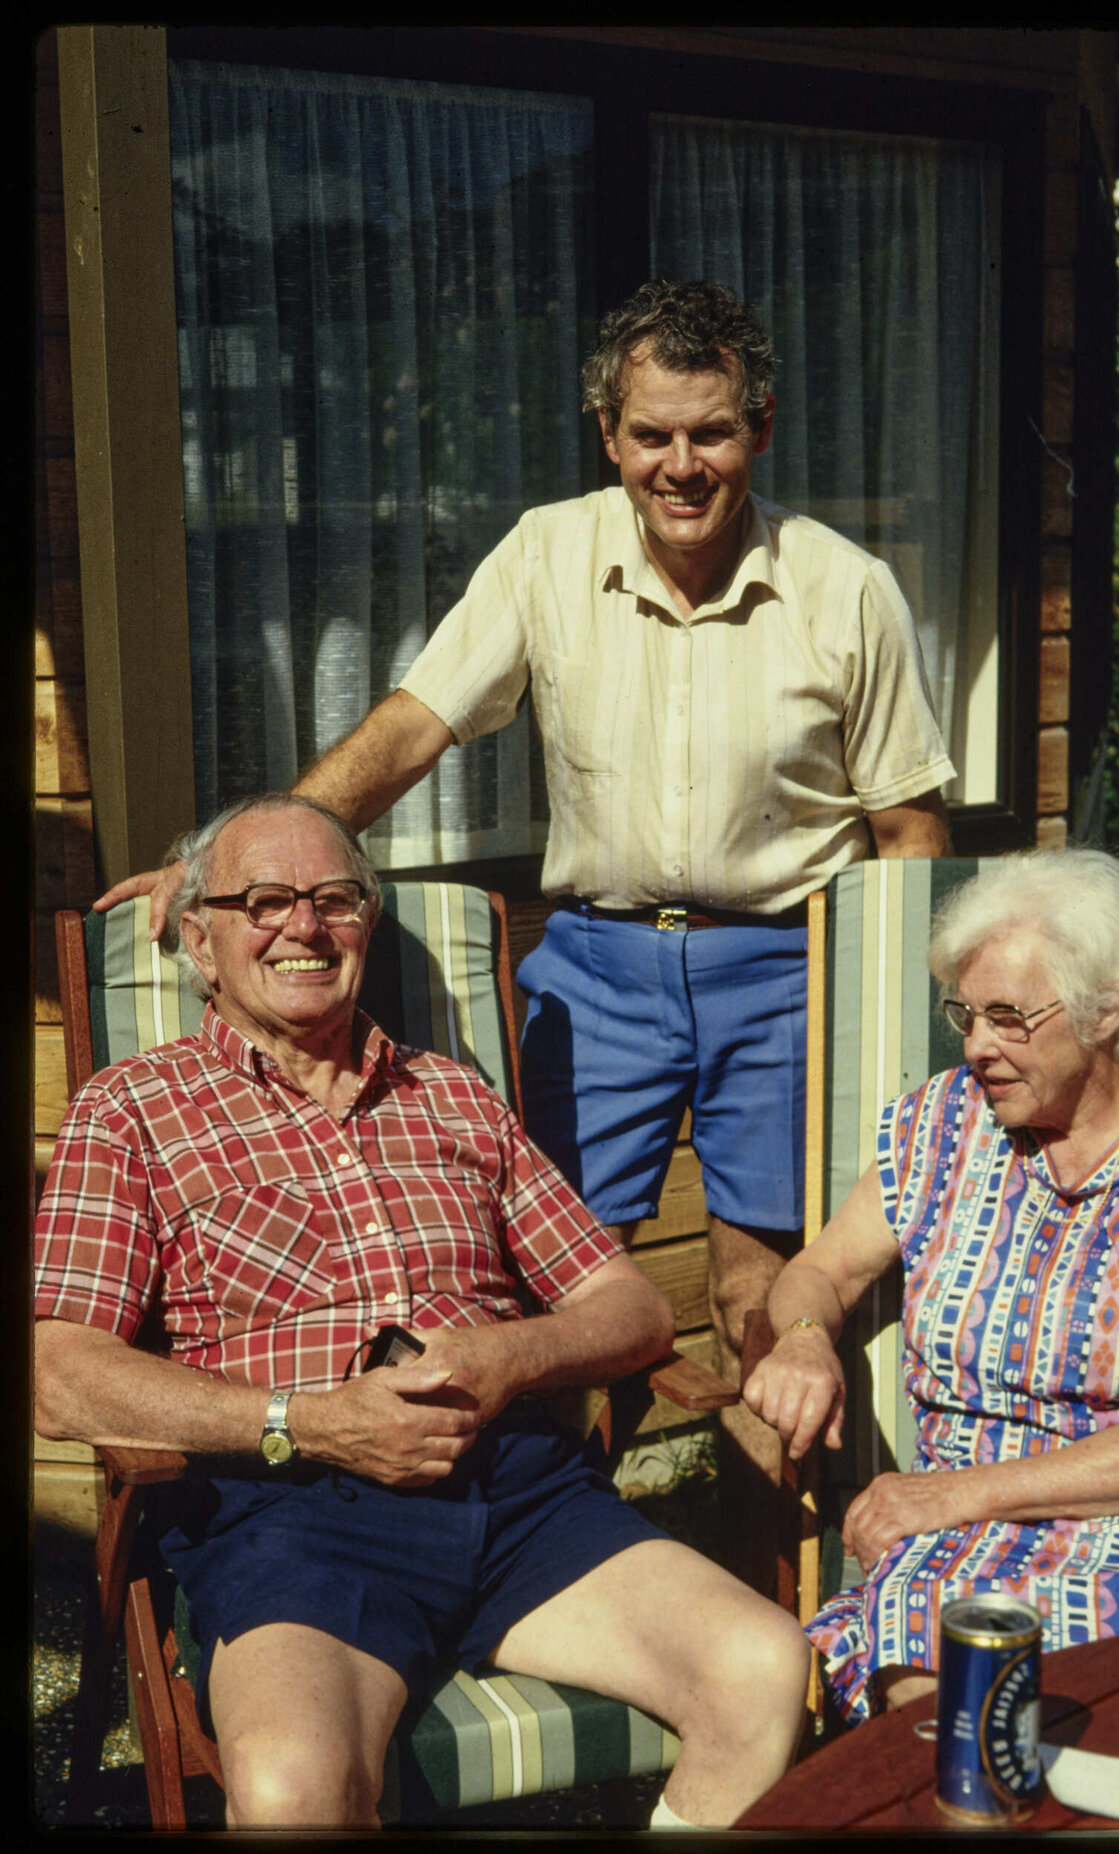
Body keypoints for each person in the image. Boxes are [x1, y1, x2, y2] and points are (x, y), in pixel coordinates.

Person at [95, 279, 955, 1585]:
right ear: (607, 432)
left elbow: (908, 835)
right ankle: (545, 1559)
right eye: (653, 433)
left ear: (760, 429)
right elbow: (412, 727)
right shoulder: (548, 554)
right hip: (598, 964)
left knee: (758, 1286)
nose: (683, 464)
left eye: (712, 432)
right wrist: (230, 852)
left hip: (785, 963)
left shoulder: (848, 589)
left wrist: (913, 1035)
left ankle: (764, 1591)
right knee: (542, 1287)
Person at [36, 793, 812, 1829]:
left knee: (763, 1668)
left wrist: (509, 1355)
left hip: (519, 1493)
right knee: (290, 1795)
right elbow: (57, 1371)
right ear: (200, 944)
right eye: (264, 900)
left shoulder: (454, 1095)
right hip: (295, 1512)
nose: (305, 928)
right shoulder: (131, 1109)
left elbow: (630, 1309)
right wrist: (304, 1423)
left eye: (335, 900)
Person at [742, 849, 1119, 1723]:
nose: (976, 1047)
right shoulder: (944, 1125)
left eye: (1007, 1018)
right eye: (965, 1015)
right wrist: (804, 1339)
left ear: (1104, 1011)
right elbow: (819, 1272)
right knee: (934, 1669)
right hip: (954, 1541)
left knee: (1117, 1700)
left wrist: (947, 1496)